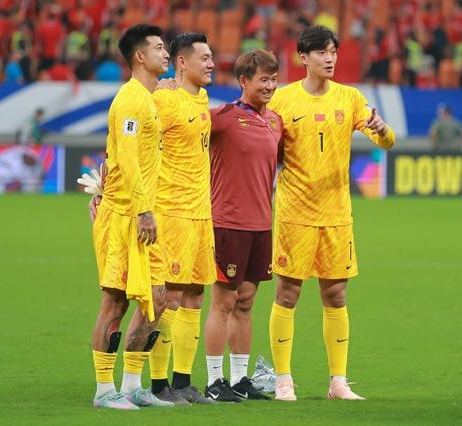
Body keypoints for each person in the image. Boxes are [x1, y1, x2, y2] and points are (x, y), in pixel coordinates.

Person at [266, 25, 396, 402]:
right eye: (322, 52)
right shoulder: (282, 100)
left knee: (336, 295)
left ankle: (338, 382)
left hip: (337, 214)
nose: (330, 59)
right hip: (294, 213)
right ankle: (283, 380)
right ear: (303, 58)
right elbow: (265, 149)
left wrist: (382, 129)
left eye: (333, 52)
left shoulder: (350, 98)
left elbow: (386, 142)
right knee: (287, 294)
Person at [89, 23, 172, 410]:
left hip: (144, 216)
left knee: (157, 300)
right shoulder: (130, 100)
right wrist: (143, 210)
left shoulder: (148, 98)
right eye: (158, 47)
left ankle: (134, 385)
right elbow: (127, 158)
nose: (165, 53)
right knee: (116, 303)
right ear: (140, 56)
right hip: (126, 216)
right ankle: (104, 389)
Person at [203, 49, 283, 402]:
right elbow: (177, 137)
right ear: (243, 81)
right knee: (223, 302)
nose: (270, 86)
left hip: (262, 225)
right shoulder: (222, 118)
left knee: (246, 302)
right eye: (263, 79)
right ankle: (213, 381)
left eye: (274, 79)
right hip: (228, 223)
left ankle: (239, 380)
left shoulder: (276, 122)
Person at [147, 32, 217, 405]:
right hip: (171, 212)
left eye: (211, 57)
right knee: (170, 298)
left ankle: (184, 381)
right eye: (204, 58)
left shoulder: (201, 98)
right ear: (182, 62)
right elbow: (134, 138)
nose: (211, 64)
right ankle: (158, 385)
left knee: (194, 296)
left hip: (201, 213)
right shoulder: (163, 99)